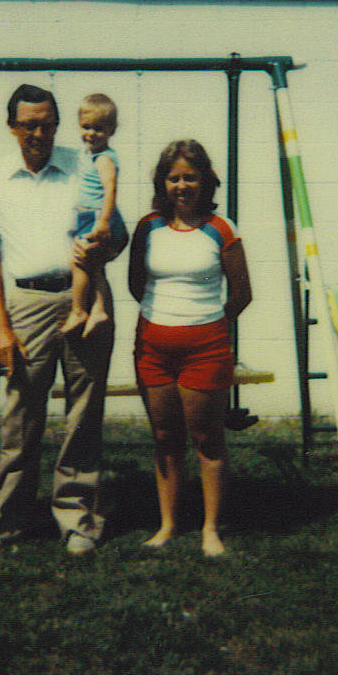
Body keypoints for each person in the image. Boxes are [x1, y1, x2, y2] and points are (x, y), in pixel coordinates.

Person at [0, 83, 125, 558]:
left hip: (84, 297)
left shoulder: (85, 164)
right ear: (11, 127)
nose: (39, 134)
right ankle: (5, 521)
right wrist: (0, 327)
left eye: (47, 124)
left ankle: (78, 520)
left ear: (58, 124)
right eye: (28, 125)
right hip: (26, 304)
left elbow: (116, 230)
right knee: (20, 417)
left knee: (84, 415)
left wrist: (104, 246)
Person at [128, 139, 252, 556]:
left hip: (206, 350)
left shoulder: (222, 228)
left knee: (207, 439)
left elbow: (241, 294)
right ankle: (167, 525)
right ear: (163, 183)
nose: (182, 186)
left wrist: (204, 324)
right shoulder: (148, 226)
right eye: (174, 178)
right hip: (152, 349)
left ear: (205, 181)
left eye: (190, 177)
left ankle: (210, 529)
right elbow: (135, 283)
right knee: (165, 437)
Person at [60, 93, 125, 338]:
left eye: (99, 129)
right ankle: (98, 308)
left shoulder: (104, 158)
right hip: (90, 215)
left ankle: (78, 310)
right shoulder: (88, 154)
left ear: (111, 130)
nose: (91, 133)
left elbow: (110, 188)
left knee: (79, 262)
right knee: (94, 265)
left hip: (96, 216)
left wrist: (104, 221)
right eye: (86, 127)